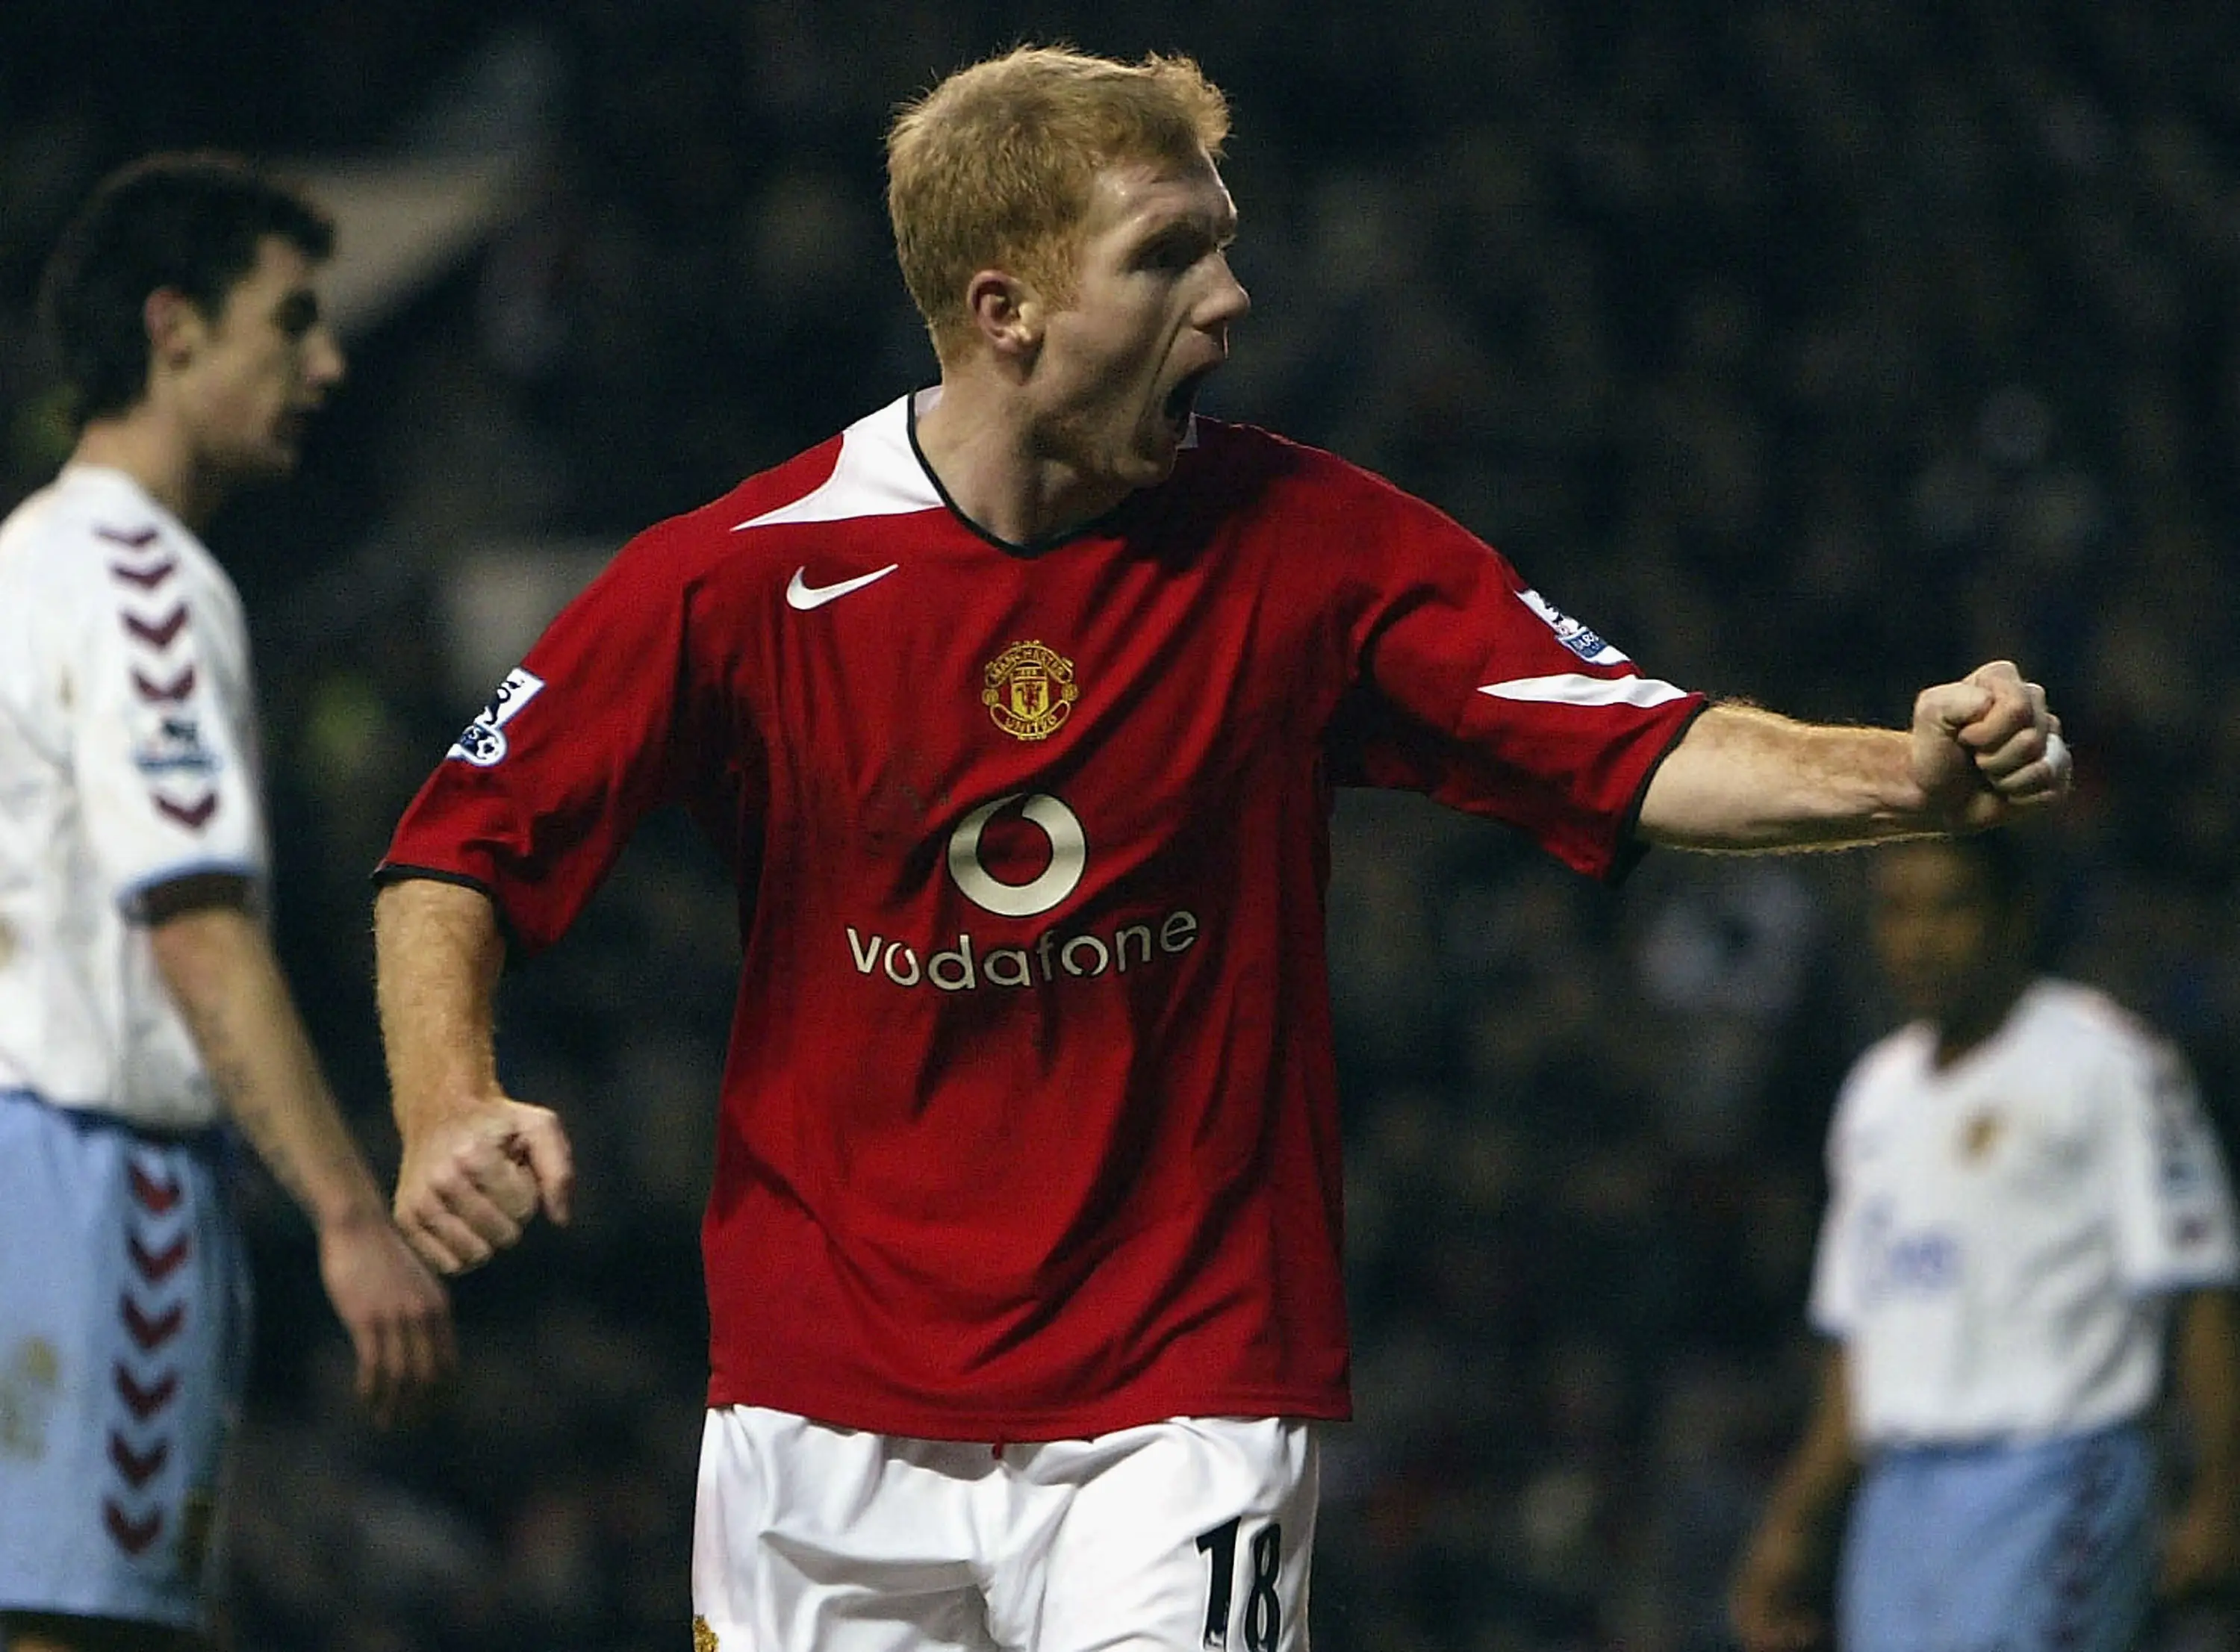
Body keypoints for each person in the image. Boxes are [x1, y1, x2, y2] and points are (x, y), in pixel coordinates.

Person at [373, 46, 2069, 1652]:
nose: (1232, 304)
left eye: (1225, 246)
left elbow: (1634, 743)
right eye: (1169, 257)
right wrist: (447, 1093)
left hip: (1177, 1395)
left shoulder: (1309, 546)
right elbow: (459, 845)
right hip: (820, 1408)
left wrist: (1905, 774)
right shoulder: (742, 578)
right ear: (1005, 311)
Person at [0, 153, 454, 1652]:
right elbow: (192, 923)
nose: (324, 360)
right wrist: (348, 1211)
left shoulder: (25, 559)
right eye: (291, 321)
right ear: (175, 327)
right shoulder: (143, 581)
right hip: (86, 1174)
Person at [1727, 832, 2240, 1652]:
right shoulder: (1875, 1097)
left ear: (2016, 915)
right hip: (1900, 1496)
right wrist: (1794, 1525)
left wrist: (2221, 1493)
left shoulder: (2107, 1061)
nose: (1920, 937)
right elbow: (1860, 1345)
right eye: (1897, 910)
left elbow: (2200, 1284)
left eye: (1950, 906)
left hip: (2059, 1470)